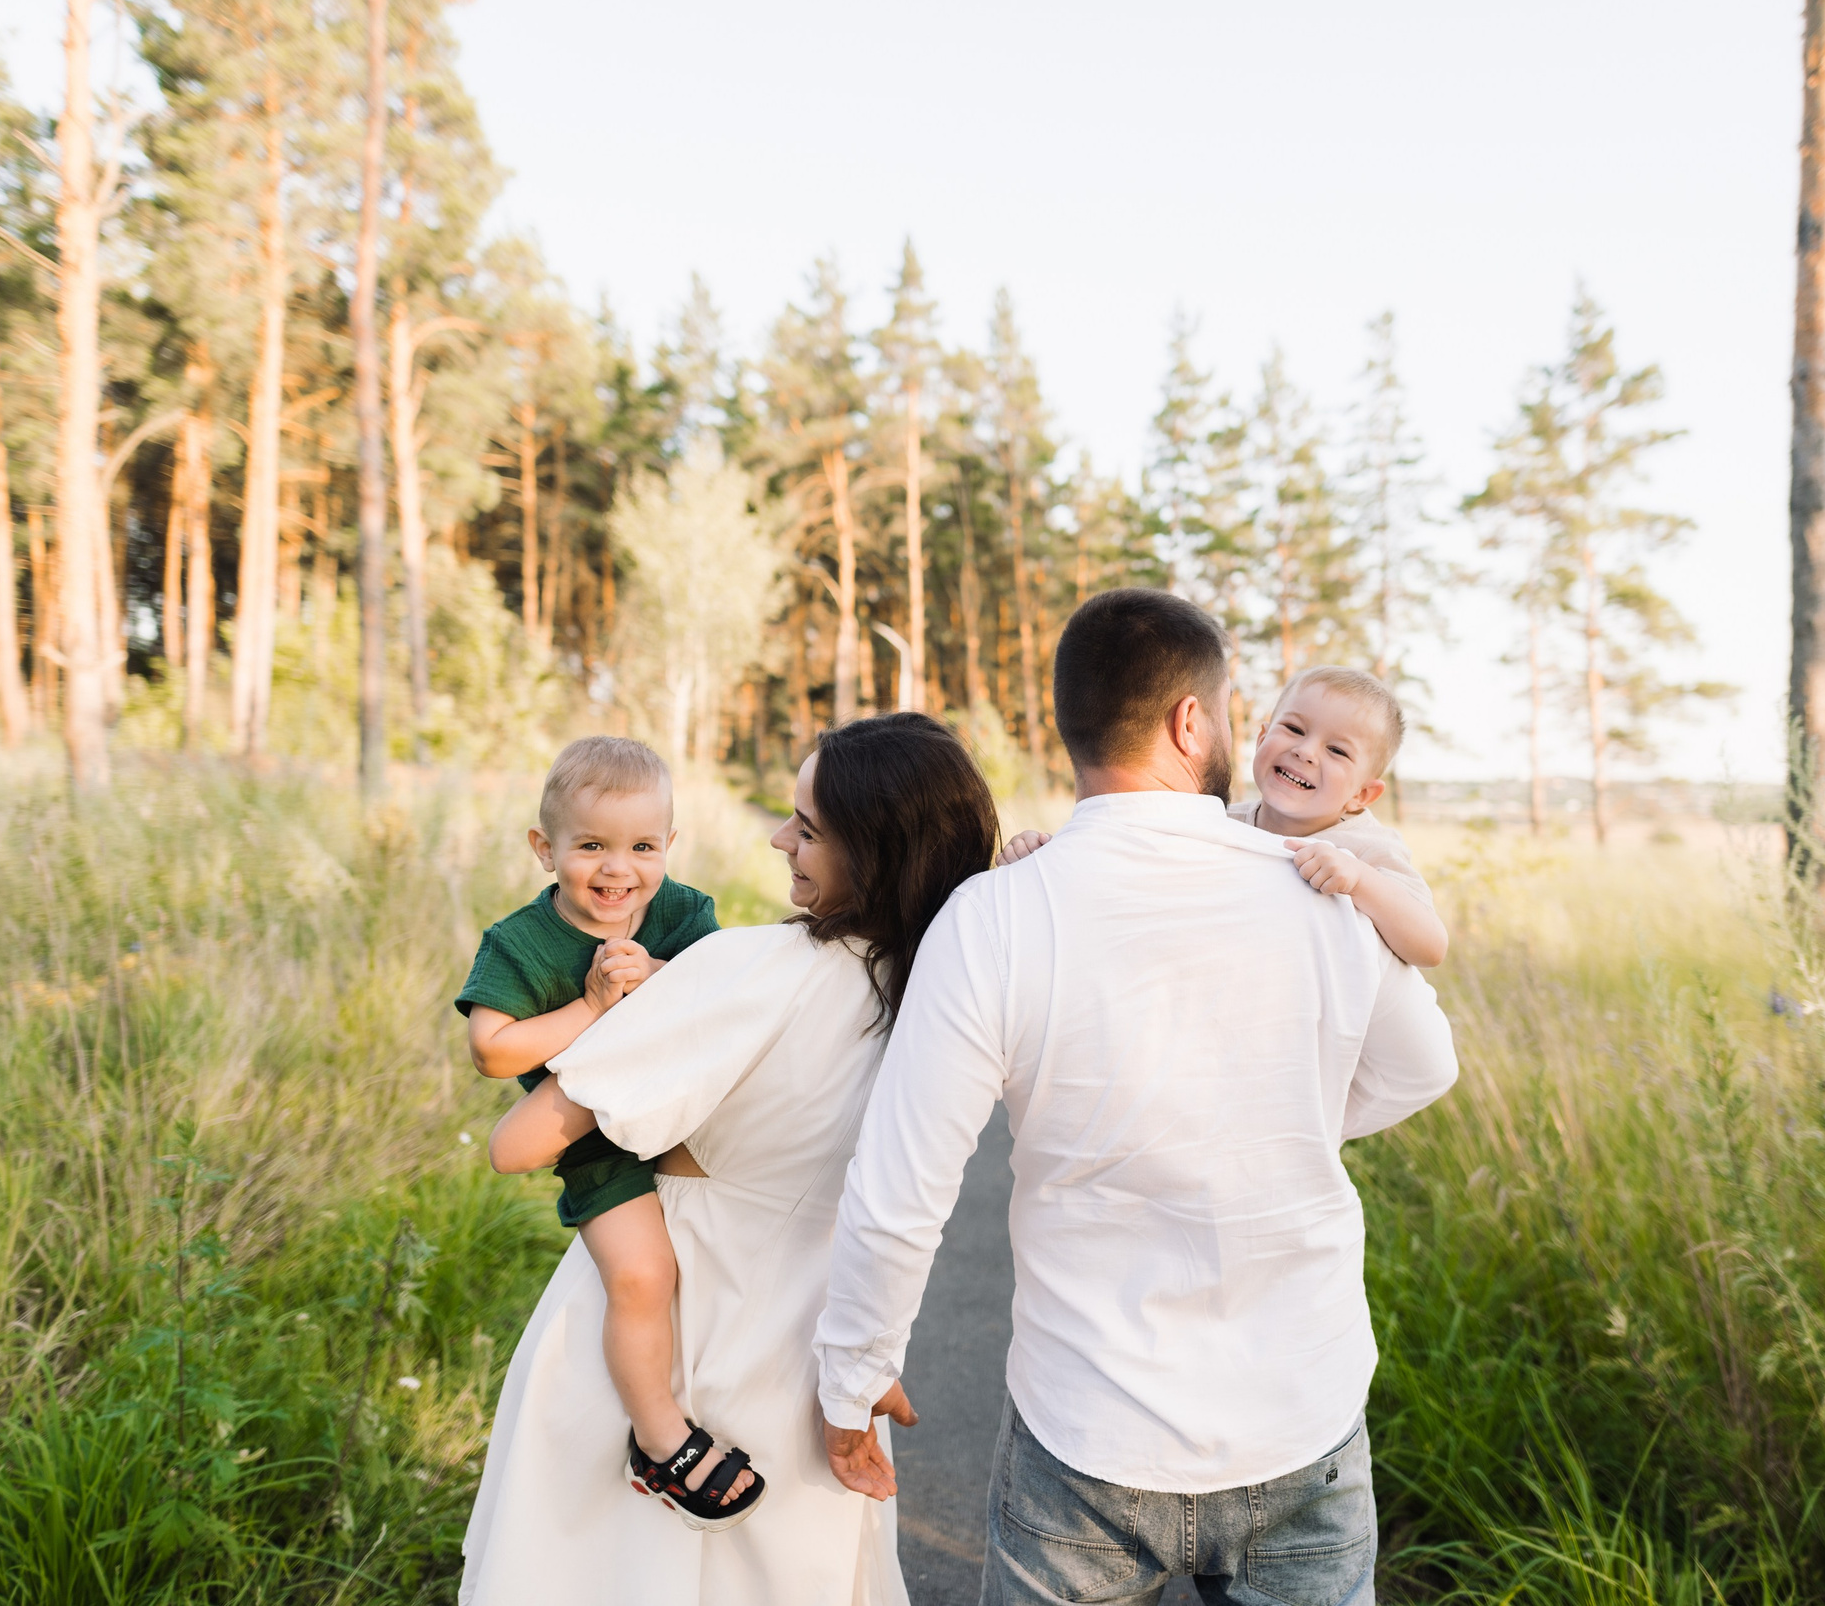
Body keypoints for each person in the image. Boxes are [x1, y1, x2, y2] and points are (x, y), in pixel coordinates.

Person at [814, 588, 1461, 1606]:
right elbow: (1425, 1067)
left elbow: (902, 1185)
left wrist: (852, 1373)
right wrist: (1272, 1124)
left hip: (1087, 1433)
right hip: (1300, 1413)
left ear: (1073, 722)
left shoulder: (996, 914)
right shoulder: (1323, 891)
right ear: (1189, 721)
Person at [459, 712, 1000, 1606]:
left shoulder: (743, 969)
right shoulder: (947, 991)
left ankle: (657, 1442)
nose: (778, 836)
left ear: (871, 850)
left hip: (676, 1320)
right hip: (813, 1340)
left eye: (808, 826)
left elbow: (514, 1145)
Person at [456, 735, 756, 1524]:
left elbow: (720, 995)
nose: (617, 869)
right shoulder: (519, 942)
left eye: (642, 846)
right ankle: (660, 1440)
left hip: (692, 1122)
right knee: (643, 1276)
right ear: (543, 848)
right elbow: (492, 1049)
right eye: (591, 845)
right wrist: (591, 1009)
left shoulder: (682, 912)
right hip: (600, 1145)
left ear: (669, 847)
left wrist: (654, 978)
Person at [1002, 664, 1448, 969]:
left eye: (1337, 750)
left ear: (1362, 796)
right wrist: (1047, 856)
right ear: (1261, 737)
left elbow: (1430, 946)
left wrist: (1359, 881)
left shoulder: (1367, 850)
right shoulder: (1222, 822)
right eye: (1293, 728)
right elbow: (1133, 858)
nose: (1305, 751)